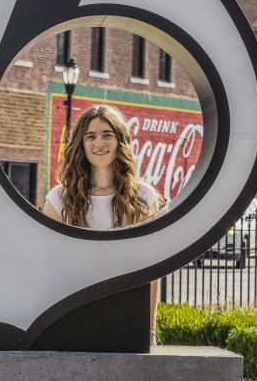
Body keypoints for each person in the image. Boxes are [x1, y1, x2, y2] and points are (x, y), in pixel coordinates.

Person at [42, 104, 162, 345]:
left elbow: (152, 272)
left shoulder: (144, 198)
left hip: (127, 316)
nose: (99, 143)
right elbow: (48, 268)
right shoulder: (58, 199)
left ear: (120, 141)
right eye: (91, 136)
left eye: (107, 135)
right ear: (81, 143)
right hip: (72, 315)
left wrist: (149, 329)